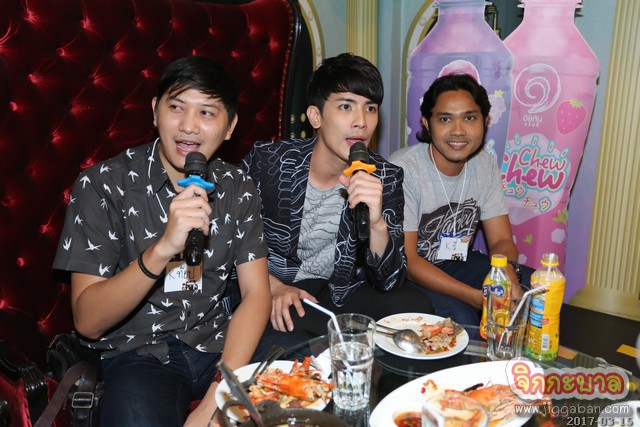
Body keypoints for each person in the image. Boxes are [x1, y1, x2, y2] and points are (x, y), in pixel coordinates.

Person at [53, 56, 271, 427]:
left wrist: (219, 396)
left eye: (207, 112)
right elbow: (87, 322)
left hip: (219, 342)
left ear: (230, 127)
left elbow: (256, 293)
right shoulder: (104, 184)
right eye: (176, 107)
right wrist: (163, 248)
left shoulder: (237, 186)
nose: (189, 126)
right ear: (155, 111)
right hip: (137, 353)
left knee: (308, 381)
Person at [241, 53, 433, 346]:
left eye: (370, 108)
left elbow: (390, 280)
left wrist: (377, 224)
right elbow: (229, 241)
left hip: (340, 289)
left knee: (415, 308)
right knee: (295, 333)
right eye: (346, 106)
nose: (361, 122)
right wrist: (272, 286)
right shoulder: (268, 161)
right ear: (315, 116)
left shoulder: (386, 175)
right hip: (278, 286)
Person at [389, 73, 532, 326]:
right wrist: (477, 298)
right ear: (427, 123)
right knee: (461, 319)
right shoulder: (403, 170)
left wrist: (507, 276)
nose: (458, 130)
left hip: (454, 261)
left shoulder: (484, 164)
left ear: (485, 121)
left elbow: (501, 239)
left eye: (469, 118)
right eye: (445, 119)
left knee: (535, 290)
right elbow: (408, 260)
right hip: (406, 274)